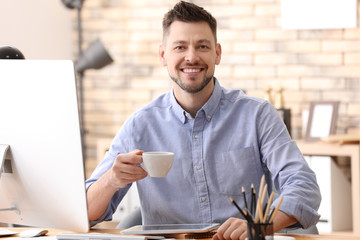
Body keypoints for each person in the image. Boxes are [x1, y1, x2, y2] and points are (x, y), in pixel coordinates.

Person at [85, 1, 321, 239]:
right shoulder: (139, 125)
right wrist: (111, 180)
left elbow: (304, 186)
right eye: (180, 47)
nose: (191, 57)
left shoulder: (257, 115)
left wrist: (260, 224)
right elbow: (85, 214)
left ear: (217, 54)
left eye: (202, 46)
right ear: (163, 55)